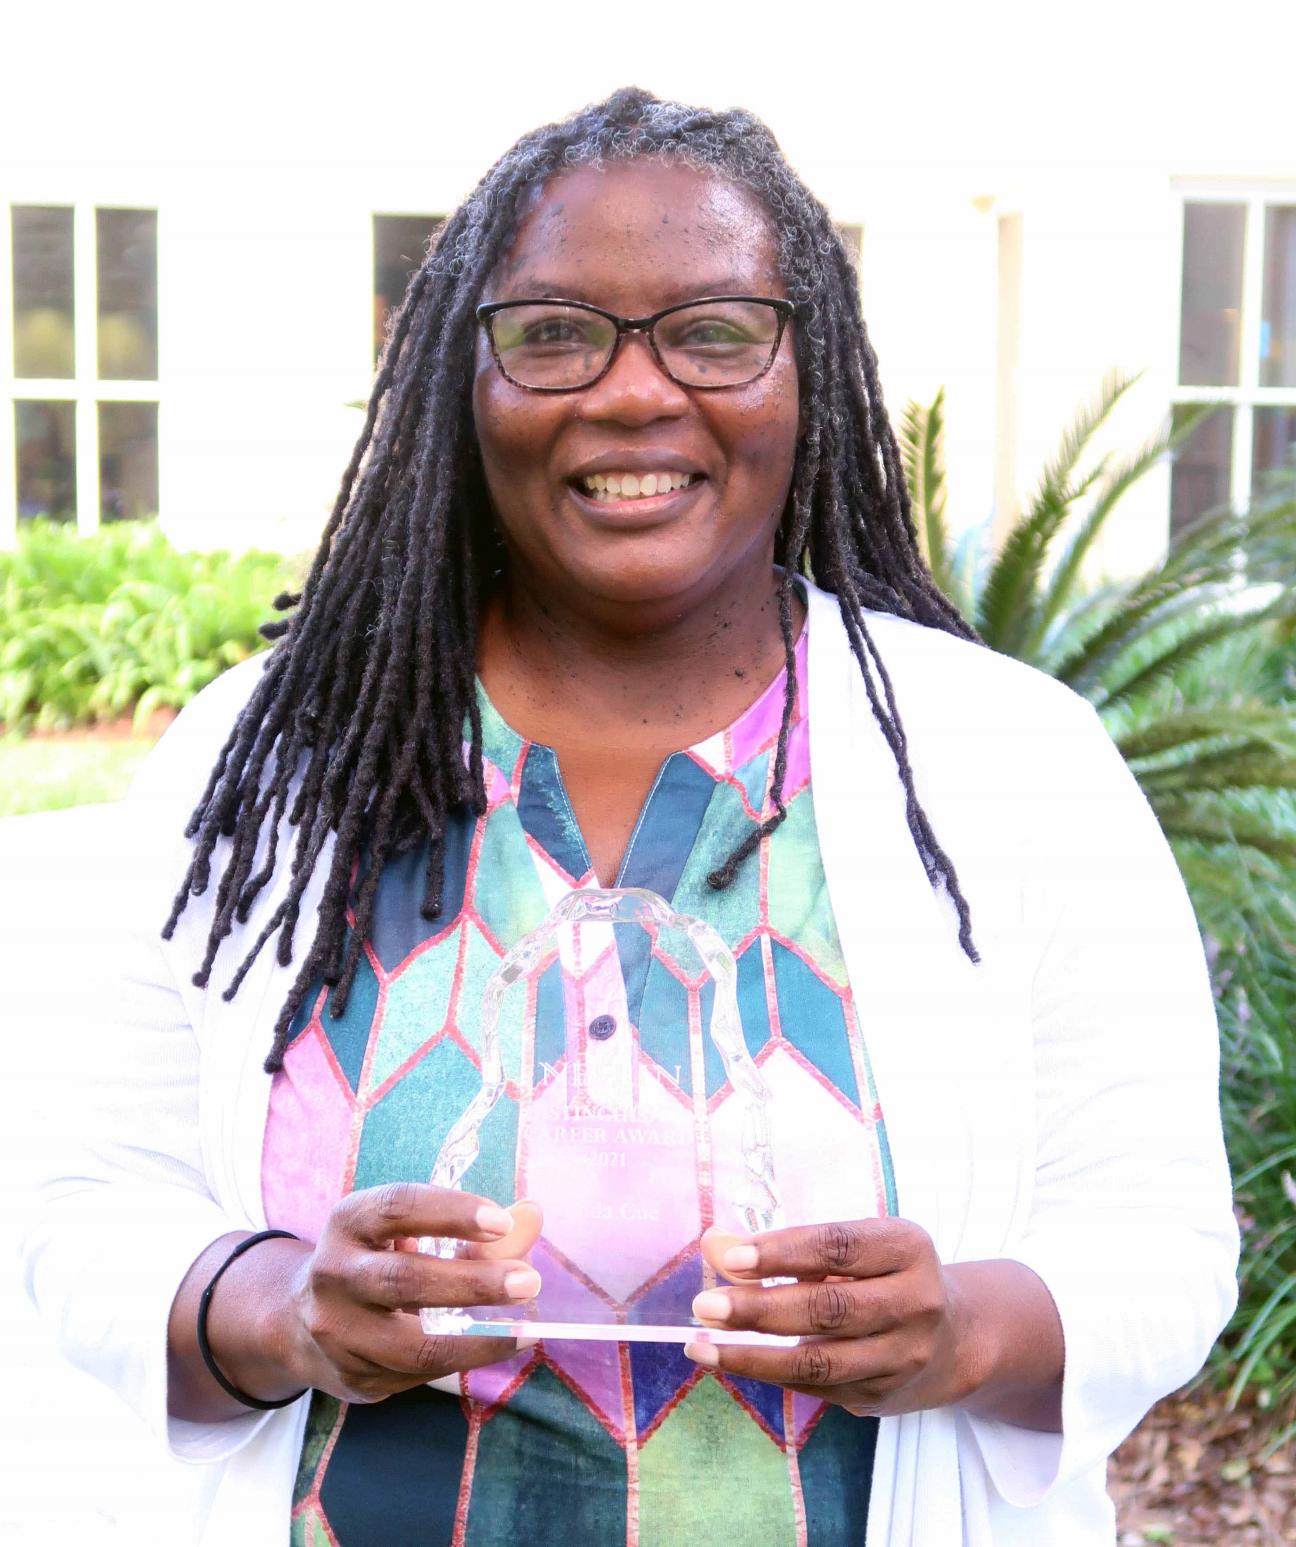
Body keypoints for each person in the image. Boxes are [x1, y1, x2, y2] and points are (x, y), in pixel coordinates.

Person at [22, 89, 1238, 1546]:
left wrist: (961, 1333)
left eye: (715, 332)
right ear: (457, 382)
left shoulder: (1012, 767)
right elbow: (85, 1203)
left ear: (814, 375)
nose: (633, 392)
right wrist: (278, 1311)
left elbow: (1160, 1233)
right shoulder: (269, 757)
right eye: (553, 333)